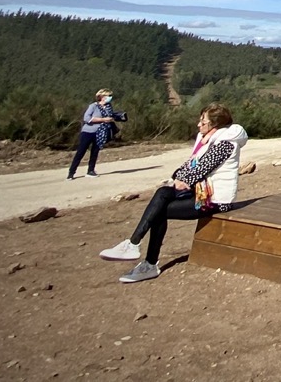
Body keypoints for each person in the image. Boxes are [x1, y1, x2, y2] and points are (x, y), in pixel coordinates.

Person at [99, 104, 248, 283]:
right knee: (162, 194)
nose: (198, 125)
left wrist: (182, 178)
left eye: (203, 121)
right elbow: (187, 167)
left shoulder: (225, 143)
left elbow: (200, 169)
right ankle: (134, 245)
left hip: (215, 200)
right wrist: (178, 177)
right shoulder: (208, 140)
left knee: (159, 210)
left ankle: (146, 260)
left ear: (214, 125)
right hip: (200, 193)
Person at [67, 89, 122, 180]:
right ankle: (71, 172)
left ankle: (91, 170)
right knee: (81, 152)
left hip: (101, 132)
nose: (109, 98)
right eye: (108, 96)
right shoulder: (93, 106)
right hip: (88, 132)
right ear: (102, 97)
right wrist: (103, 120)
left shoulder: (109, 107)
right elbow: (87, 118)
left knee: (95, 152)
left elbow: (110, 116)